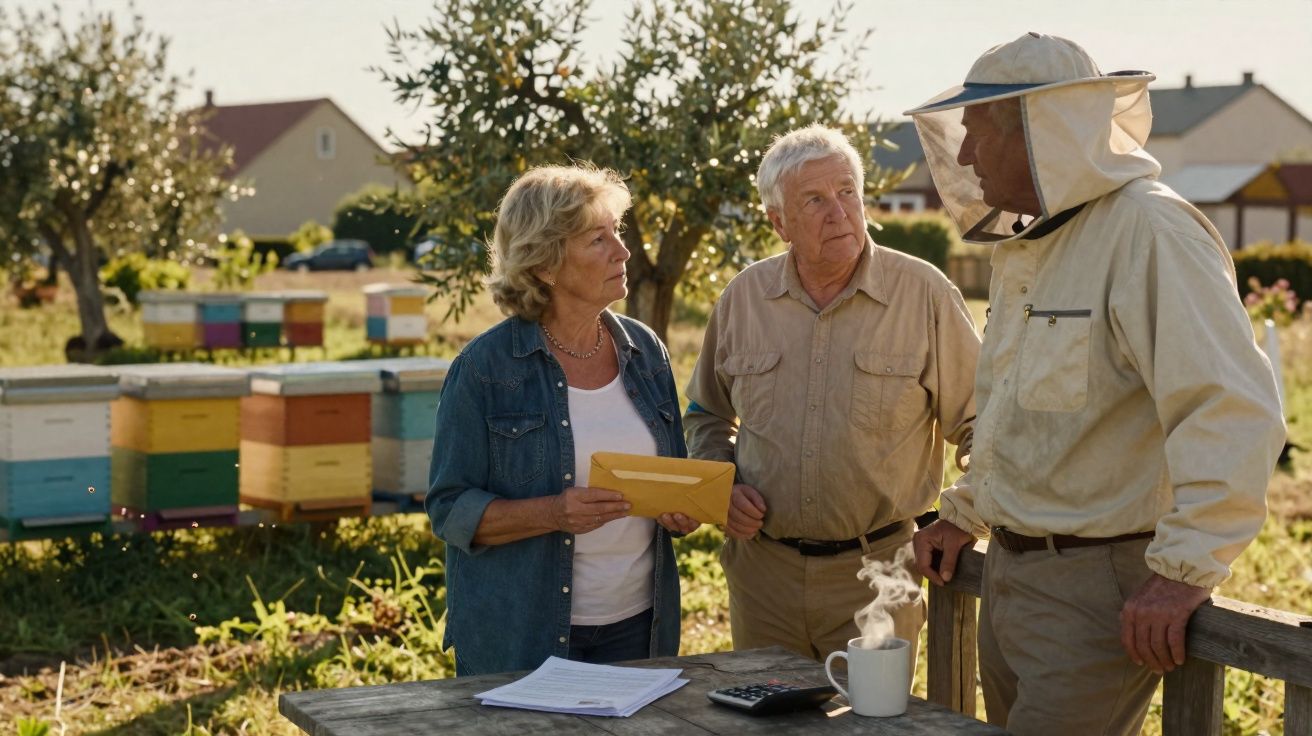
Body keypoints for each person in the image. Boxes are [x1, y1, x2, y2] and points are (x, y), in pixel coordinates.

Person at [907, 33, 1286, 735]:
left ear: (1039, 133)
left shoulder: (1151, 230)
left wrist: (1183, 570)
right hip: (1013, 578)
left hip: (1096, 591)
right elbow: (1015, 411)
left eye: (978, 134)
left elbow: (1230, 410)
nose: (961, 157)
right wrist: (966, 512)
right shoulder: (1033, 246)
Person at [683, 125, 981, 662]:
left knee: (870, 722)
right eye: (814, 200)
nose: (838, 212)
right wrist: (719, 482)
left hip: (879, 575)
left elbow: (987, 425)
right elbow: (705, 412)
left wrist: (966, 514)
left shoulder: (925, 293)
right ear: (779, 223)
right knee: (767, 722)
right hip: (762, 576)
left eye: (847, 192)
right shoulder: (743, 299)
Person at [425, 164, 699, 676]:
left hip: (640, 626)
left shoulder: (647, 351)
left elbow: (671, 477)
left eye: (617, 232)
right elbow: (449, 510)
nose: (623, 250)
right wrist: (554, 512)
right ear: (546, 263)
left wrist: (678, 510)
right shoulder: (484, 370)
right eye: (599, 239)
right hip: (523, 634)